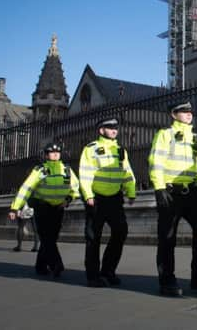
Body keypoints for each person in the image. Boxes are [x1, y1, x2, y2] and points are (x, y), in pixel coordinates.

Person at [149, 101, 197, 296]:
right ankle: (167, 281)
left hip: (191, 193)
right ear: (173, 114)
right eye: (184, 111)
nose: (189, 114)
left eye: (190, 111)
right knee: (167, 237)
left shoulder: (196, 138)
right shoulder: (165, 135)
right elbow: (156, 162)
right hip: (170, 192)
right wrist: (159, 188)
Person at [79, 117, 136, 287]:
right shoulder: (91, 149)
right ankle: (93, 276)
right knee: (93, 237)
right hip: (96, 198)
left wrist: (131, 192)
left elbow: (126, 172)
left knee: (120, 232)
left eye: (115, 127)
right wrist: (88, 195)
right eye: (110, 127)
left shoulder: (120, 150)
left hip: (115, 198)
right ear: (101, 130)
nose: (114, 130)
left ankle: (108, 270)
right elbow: (85, 173)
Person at [8, 142, 79, 276]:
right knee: (46, 237)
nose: (55, 154)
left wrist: (68, 200)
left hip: (58, 208)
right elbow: (26, 188)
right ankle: (56, 265)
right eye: (52, 153)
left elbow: (75, 188)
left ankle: (40, 266)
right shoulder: (40, 170)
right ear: (46, 155)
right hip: (42, 207)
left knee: (51, 238)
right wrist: (15, 208)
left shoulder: (66, 169)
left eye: (57, 152)